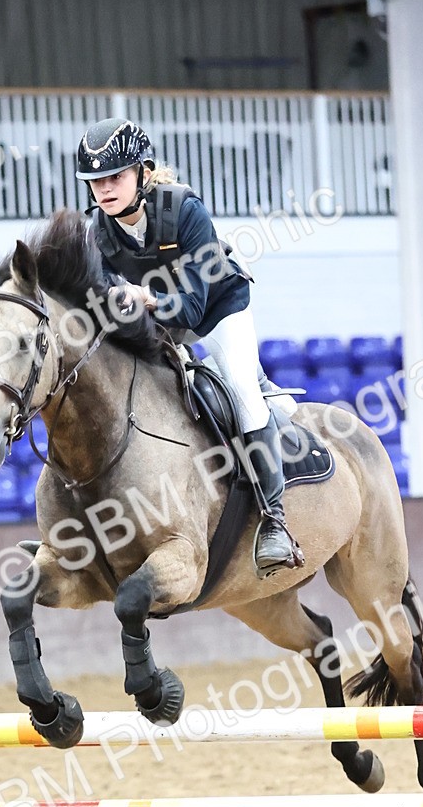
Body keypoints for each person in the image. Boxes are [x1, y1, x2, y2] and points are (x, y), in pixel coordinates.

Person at [76, 118, 304, 576]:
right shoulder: (96, 232)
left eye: (115, 176)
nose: (104, 189)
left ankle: (274, 521)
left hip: (217, 312)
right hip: (160, 320)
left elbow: (194, 307)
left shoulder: (184, 210)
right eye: (96, 181)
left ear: (143, 173)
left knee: (242, 392)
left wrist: (145, 298)